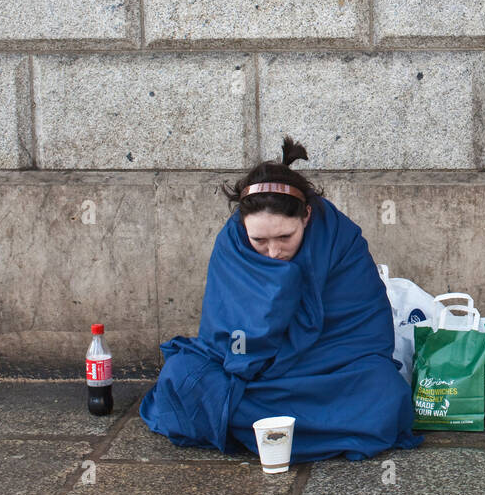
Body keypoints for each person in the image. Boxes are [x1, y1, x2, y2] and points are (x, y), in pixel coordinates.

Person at [138, 135, 423, 461]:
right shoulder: (233, 244)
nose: (273, 252)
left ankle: (259, 424)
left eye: (286, 237)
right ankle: (297, 425)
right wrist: (248, 360)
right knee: (183, 376)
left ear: (306, 216)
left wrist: (287, 287)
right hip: (254, 370)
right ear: (243, 225)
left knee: (385, 392)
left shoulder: (342, 241)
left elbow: (365, 333)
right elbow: (231, 334)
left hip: (331, 367)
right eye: (259, 240)